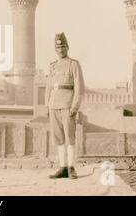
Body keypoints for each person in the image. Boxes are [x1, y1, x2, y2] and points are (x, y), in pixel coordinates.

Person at [46, 33, 85, 179]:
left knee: (70, 137)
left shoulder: (73, 64)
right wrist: (47, 106)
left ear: (67, 47)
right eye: (58, 47)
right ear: (55, 49)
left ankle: (71, 168)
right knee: (58, 138)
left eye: (63, 46)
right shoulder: (53, 66)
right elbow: (49, 87)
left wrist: (75, 107)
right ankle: (62, 168)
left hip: (68, 105)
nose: (60, 49)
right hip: (54, 105)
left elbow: (79, 88)